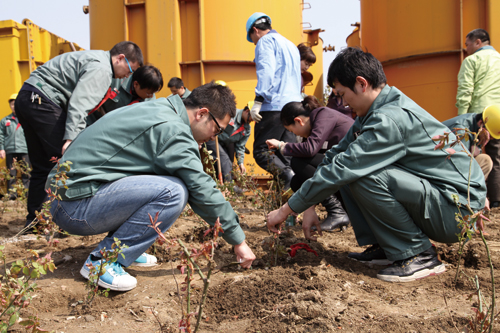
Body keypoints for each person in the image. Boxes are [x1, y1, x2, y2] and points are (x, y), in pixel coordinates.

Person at [267, 47, 486, 283]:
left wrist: (286, 210)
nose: (342, 102)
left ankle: (419, 255)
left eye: (341, 94)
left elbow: (343, 169)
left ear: (361, 84)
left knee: (361, 174)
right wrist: (307, 206)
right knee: (350, 168)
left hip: (456, 211)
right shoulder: (370, 114)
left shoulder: (388, 118)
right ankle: (389, 245)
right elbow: (334, 158)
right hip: (440, 198)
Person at [46, 82, 256, 291]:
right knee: (174, 191)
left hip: (70, 195)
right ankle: (103, 261)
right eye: (217, 130)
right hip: (74, 206)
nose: (214, 137)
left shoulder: (161, 109)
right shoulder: (174, 130)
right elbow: (201, 187)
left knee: (165, 180)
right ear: (201, 113)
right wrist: (238, 240)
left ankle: (126, 248)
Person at [15, 41, 143, 231]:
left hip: (27, 97)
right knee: (68, 164)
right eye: (130, 70)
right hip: (44, 100)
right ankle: (68, 218)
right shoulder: (102, 69)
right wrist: (70, 139)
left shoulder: (94, 58)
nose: (127, 75)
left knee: (42, 166)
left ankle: (35, 224)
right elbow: (80, 103)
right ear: (120, 58)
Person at [266, 96, 353, 233]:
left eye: (292, 131)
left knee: (299, 161)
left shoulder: (323, 115)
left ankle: (337, 211)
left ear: (298, 121)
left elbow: (310, 149)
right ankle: (338, 211)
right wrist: (309, 208)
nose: (294, 135)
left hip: (353, 167)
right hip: (342, 170)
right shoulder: (315, 126)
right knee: (296, 181)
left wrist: (282, 146)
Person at [246, 12, 302, 189]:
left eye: (252, 39)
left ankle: (288, 176)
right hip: (294, 105)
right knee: (287, 154)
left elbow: (266, 71)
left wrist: (258, 100)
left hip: (274, 106)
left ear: (255, 30)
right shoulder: (291, 45)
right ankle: (291, 205)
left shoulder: (265, 42)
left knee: (262, 151)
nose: (254, 42)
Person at [456, 29, 500, 207]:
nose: (466, 49)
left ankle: (475, 198)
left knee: (471, 156)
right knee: (496, 157)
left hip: (479, 116)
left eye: (467, 44)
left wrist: (461, 120)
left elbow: (465, 91)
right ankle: (496, 200)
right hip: (497, 115)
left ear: (478, 42)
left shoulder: (471, 61)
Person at [87, 65, 163, 125]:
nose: (151, 96)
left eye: (153, 93)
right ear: (136, 84)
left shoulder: (149, 101)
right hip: (91, 122)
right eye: (148, 93)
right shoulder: (115, 80)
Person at [443, 106, 500, 181]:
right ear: (481, 123)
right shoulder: (462, 130)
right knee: (484, 160)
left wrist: (477, 146)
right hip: (442, 166)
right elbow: (459, 162)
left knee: (485, 160)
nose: (489, 138)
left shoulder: (475, 122)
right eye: (489, 135)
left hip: (453, 164)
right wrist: (471, 153)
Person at [206, 101, 253, 183]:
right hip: (212, 138)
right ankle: (230, 186)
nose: (251, 121)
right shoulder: (231, 114)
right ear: (247, 111)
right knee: (224, 159)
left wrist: (241, 163)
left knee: (229, 163)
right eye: (251, 118)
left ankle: (223, 186)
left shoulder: (247, 129)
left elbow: (240, 146)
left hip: (227, 142)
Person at [0, 94, 30, 199]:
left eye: (15, 104)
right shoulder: (5, 120)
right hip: (10, 150)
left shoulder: (26, 118)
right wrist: (2, 149)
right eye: (12, 104)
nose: (14, 106)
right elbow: (1, 136)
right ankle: (12, 195)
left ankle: (27, 194)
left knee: (26, 172)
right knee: (11, 173)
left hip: (24, 149)